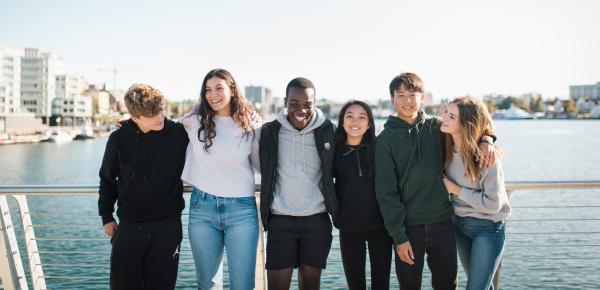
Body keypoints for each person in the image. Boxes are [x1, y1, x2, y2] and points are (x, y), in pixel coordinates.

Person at [374, 73, 496, 290]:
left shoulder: (437, 127)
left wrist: (487, 140)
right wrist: (399, 237)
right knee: (409, 286)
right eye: (401, 95)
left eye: (413, 95)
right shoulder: (385, 140)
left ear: (423, 97)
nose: (407, 101)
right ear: (392, 98)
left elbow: (473, 125)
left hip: (443, 222)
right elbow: (386, 193)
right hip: (408, 227)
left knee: (447, 285)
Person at [98, 84, 189, 290]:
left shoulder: (179, 134)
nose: (159, 117)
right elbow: (107, 179)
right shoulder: (118, 139)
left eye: (160, 110)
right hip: (129, 228)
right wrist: (106, 216)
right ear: (135, 117)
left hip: (167, 228)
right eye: (151, 114)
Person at [181, 68, 261, 290]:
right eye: (207, 89)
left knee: (243, 285)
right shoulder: (193, 120)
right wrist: (129, 124)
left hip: (242, 211)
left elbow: (260, 165)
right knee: (207, 285)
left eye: (219, 88)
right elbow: (159, 128)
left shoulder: (251, 125)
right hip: (202, 208)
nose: (212, 94)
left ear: (233, 90)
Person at [259, 77, 339, 290]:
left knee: (311, 285)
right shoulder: (269, 132)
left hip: (316, 221)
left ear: (315, 103)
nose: (301, 109)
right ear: (285, 101)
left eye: (307, 104)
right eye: (294, 103)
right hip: (280, 222)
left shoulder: (327, 131)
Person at [441, 96, 511, 290]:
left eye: (452, 116)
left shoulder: (486, 158)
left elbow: (492, 205)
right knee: (481, 285)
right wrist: (488, 137)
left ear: (466, 124)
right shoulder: (444, 144)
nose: (444, 118)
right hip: (459, 226)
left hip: (487, 228)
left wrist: (455, 189)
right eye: (446, 111)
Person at [333, 100, 393, 290]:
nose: (355, 122)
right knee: (355, 284)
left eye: (362, 117)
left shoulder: (380, 149)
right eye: (349, 116)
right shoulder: (334, 152)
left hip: (380, 227)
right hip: (349, 227)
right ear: (342, 121)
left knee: (381, 284)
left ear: (369, 123)